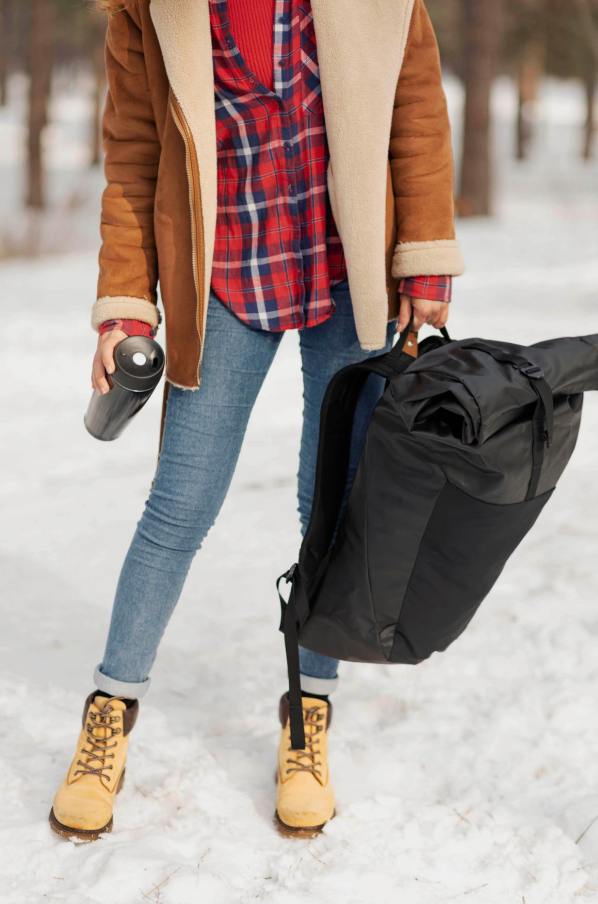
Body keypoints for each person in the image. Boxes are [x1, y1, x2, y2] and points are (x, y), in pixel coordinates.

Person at [49, 0, 464, 841]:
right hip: (226, 276)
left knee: (331, 512)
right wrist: (125, 309)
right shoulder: (147, 7)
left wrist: (425, 261)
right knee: (179, 506)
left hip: (347, 272)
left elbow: (415, 108)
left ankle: (309, 715)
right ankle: (110, 711)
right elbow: (133, 155)